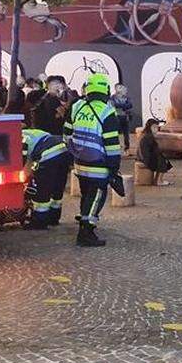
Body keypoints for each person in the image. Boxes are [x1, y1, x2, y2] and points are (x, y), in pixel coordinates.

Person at [64, 73, 123, 247]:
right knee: (97, 196)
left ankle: (84, 223)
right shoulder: (107, 111)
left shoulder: (76, 107)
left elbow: (66, 134)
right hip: (99, 165)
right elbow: (112, 144)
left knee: (86, 195)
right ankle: (86, 233)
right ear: (105, 90)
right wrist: (114, 168)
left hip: (80, 163)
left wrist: (75, 152)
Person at [21, 127, 72, 228]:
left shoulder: (20, 138)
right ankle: (53, 217)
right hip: (64, 152)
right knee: (57, 188)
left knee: (42, 190)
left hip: (48, 154)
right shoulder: (32, 132)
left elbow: (22, 161)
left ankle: (40, 221)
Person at [136, 118, 173, 185]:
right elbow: (148, 151)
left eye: (156, 127)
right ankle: (159, 181)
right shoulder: (148, 136)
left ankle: (157, 179)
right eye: (154, 127)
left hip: (143, 157)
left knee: (162, 158)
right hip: (145, 158)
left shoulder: (146, 135)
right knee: (162, 160)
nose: (155, 129)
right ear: (149, 127)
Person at [110, 83, 134, 150]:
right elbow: (113, 105)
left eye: (122, 87)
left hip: (125, 117)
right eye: (119, 87)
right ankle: (116, 146)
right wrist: (123, 106)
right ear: (116, 88)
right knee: (115, 133)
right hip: (116, 117)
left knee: (126, 134)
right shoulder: (113, 97)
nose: (122, 89)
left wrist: (121, 106)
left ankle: (127, 148)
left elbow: (130, 105)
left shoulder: (126, 97)